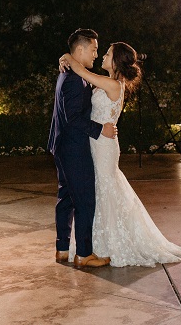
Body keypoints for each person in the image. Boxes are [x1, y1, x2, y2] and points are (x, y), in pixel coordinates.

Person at [59, 42, 181, 267]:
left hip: (104, 146)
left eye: (107, 54)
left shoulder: (113, 85)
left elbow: (81, 71)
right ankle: (95, 245)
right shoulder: (107, 83)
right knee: (101, 189)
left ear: (116, 61)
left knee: (106, 188)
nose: (102, 56)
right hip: (98, 140)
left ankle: (109, 245)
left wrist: (67, 56)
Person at [48, 29, 117, 268]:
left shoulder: (72, 73)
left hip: (63, 146)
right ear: (80, 50)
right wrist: (100, 130)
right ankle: (84, 254)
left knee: (65, 198)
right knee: (85, 199)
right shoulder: (75, 79)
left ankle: (62, 249)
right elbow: (73, 118)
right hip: (74, 148)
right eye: (94, 49)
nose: (96, 54)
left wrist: (65, 57)